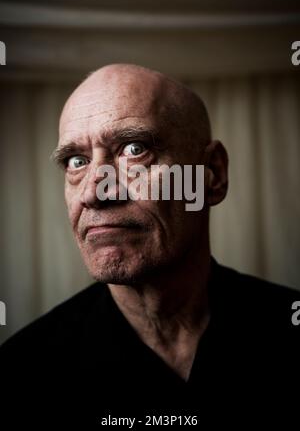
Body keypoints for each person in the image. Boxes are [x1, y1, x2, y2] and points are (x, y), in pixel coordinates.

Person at [0, 64, 299, 427]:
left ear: (213, 174)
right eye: (76, 162)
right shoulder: (20, 375)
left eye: (134, 149)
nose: (94, 191)